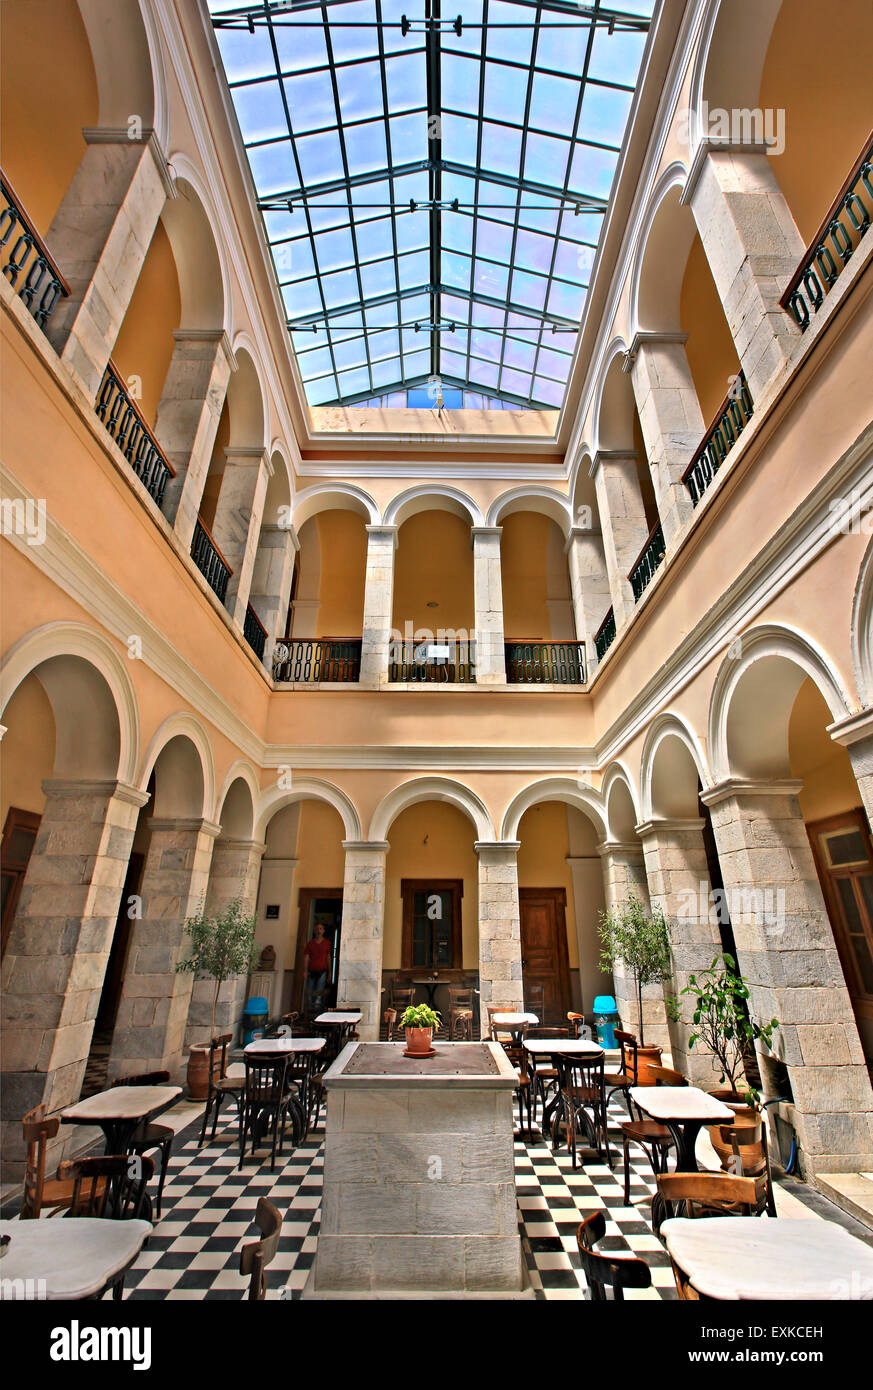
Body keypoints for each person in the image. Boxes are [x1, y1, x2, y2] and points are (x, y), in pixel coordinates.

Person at [303, 922, 331, 1009]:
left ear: (323, 931)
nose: (318, 931)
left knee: (319, 993)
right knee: (310, 993)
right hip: (311, 971)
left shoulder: (326, 943)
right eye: (317, 929)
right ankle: (310, 1011)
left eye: (320, 929)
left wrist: (330, 972)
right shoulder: (310, 944)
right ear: (314, 931)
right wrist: (305, 970)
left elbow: (328, 957)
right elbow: (306, 957)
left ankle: (317, 1012)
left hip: (322, 971)